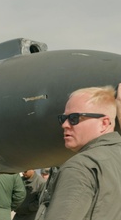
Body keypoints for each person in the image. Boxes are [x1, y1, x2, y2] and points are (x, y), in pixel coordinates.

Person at [43, 85, 121, 219]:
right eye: (63, 118)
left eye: (74, 118)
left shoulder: (81, 167)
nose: (65, 125)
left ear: (104, 123)